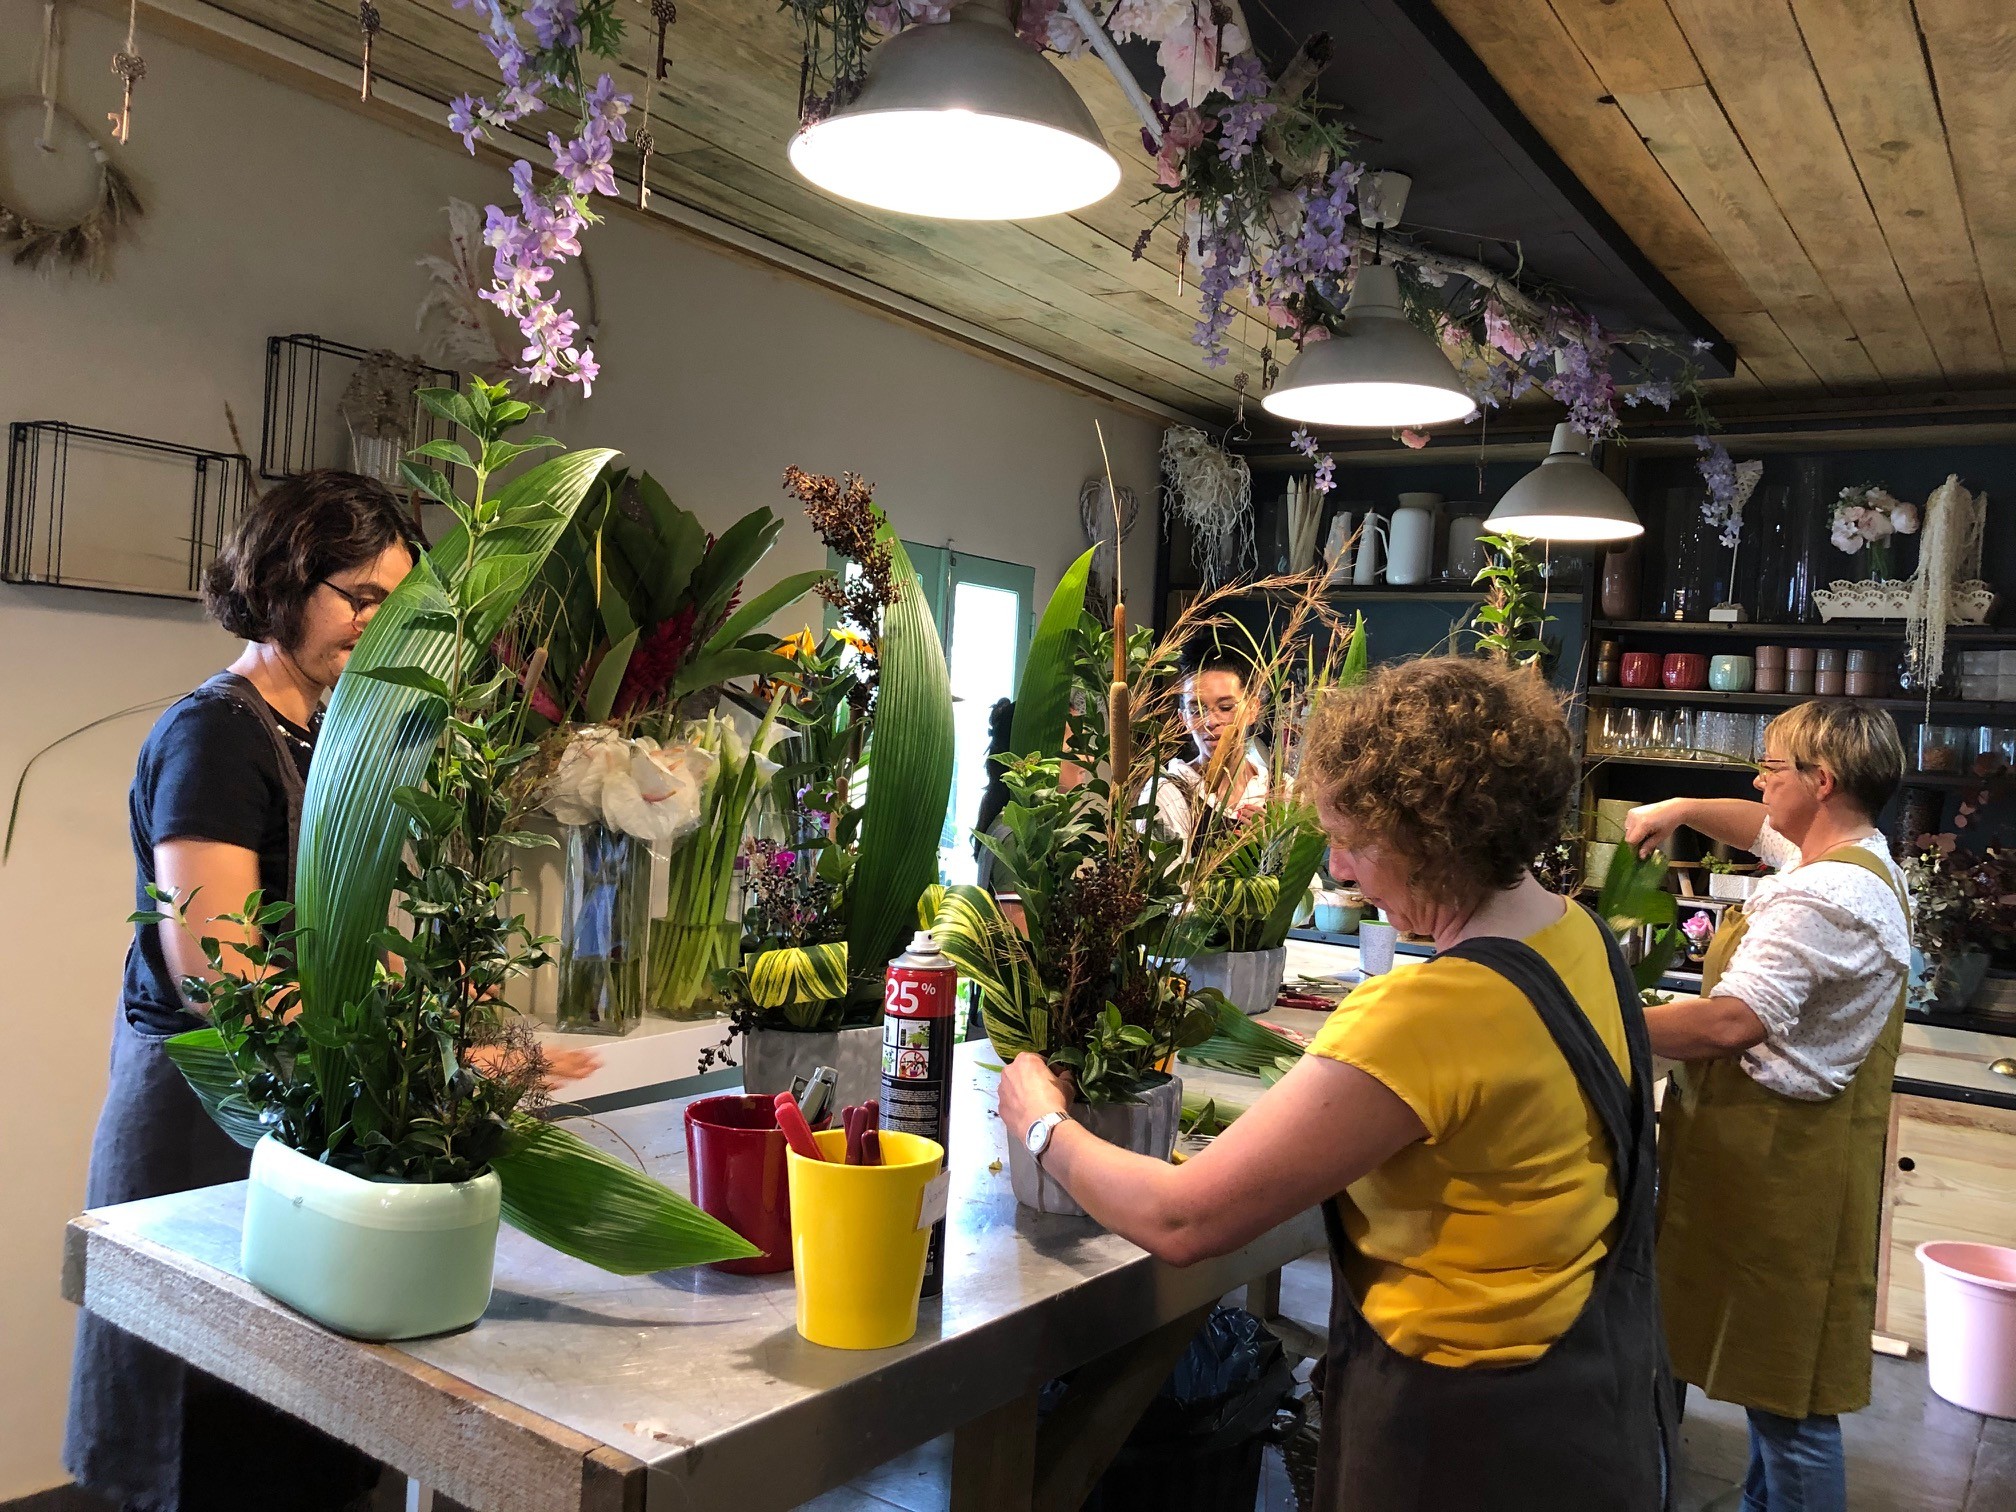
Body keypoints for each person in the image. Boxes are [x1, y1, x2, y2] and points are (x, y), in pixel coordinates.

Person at [1002, 658, 1672, 1509]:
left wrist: (1042, 1125)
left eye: (1354, 842)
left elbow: (1184, 1217)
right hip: (1590, 1414)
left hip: (1464, 1440)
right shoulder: (1579, 937)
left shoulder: (1431, 1011)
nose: (1341, 869)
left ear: (1432, 837)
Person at [66, 470, 426, 1512]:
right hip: (200, 1125)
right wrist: (391, 1055)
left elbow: (330, 934)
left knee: (295, 1441)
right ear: (280, 583)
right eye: (359, 595)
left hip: (283, 1118)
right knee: (212, 1444)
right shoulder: (217, 736)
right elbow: (220, 973)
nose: (376, 623)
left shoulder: (324, 731)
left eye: (392, 603)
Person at [1625, 700, 1909, 1512]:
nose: (1758, 780)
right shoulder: (1856, 855)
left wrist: (1581, 1013)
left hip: (1781, 1170)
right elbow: (1759, 827)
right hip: (1797, 1156)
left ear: (1822, 782)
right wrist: (1677, 809)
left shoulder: (1821, 901)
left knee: (1790, 1399)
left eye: (1772, 767)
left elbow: (1728, 1021)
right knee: (1772, 1387)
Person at [1152, 646, 1269, 847]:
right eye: (1196, 710)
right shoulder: (1168, 794)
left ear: (1252, 709)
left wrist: (1276, 847)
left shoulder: (1280, 789)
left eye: (1225, 707)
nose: (1210, 721)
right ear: (1183, 719)